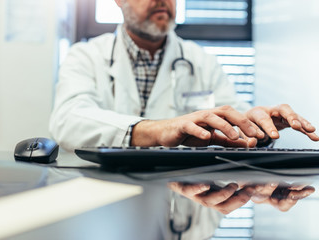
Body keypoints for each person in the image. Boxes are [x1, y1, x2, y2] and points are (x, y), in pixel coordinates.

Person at [49, 0, 318, 239]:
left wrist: (257, 128)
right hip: (105, 197)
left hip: (188, 197)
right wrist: (156, 130)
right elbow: (68, 117)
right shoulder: (85, 56)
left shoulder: (202, 62)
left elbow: (237, 118)